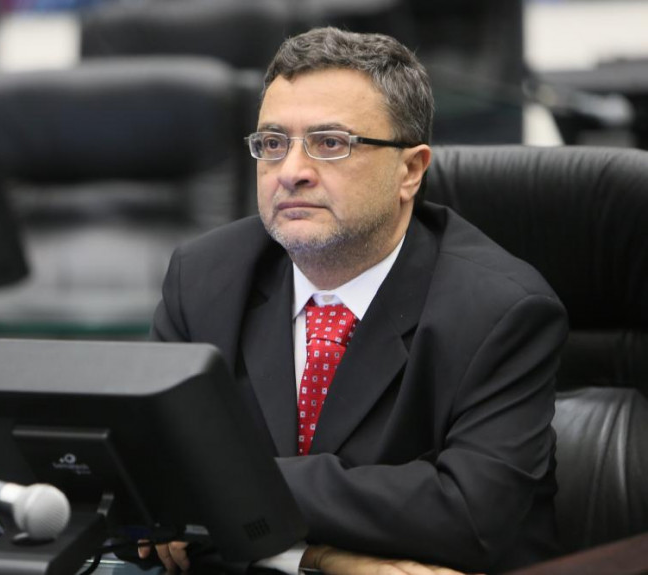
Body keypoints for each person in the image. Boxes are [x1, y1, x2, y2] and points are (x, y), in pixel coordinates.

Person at [148, 27, 568, 574]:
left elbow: (467, 517)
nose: (291, 172)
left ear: (410, 171)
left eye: (330, 143)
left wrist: (225, 489)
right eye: (273, 144)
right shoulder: (203, 277)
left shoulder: (503, 311)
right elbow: (148, 486)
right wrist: (322, 558)